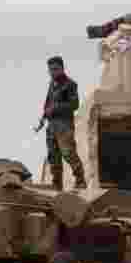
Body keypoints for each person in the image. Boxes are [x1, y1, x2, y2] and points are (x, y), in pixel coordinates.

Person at [41, 57, 87, 191]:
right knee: (53, 157)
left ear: (62, 68)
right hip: (51, 126)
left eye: (55, 69)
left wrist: (55, 108)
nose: (52, 72)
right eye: (50, 70)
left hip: (64, 125)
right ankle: (57, 186)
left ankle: (80, 180)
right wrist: (44, 116)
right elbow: (48, 103)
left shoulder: (70, 84)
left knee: (68, 153)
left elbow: (74, 104)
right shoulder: (52, 84)